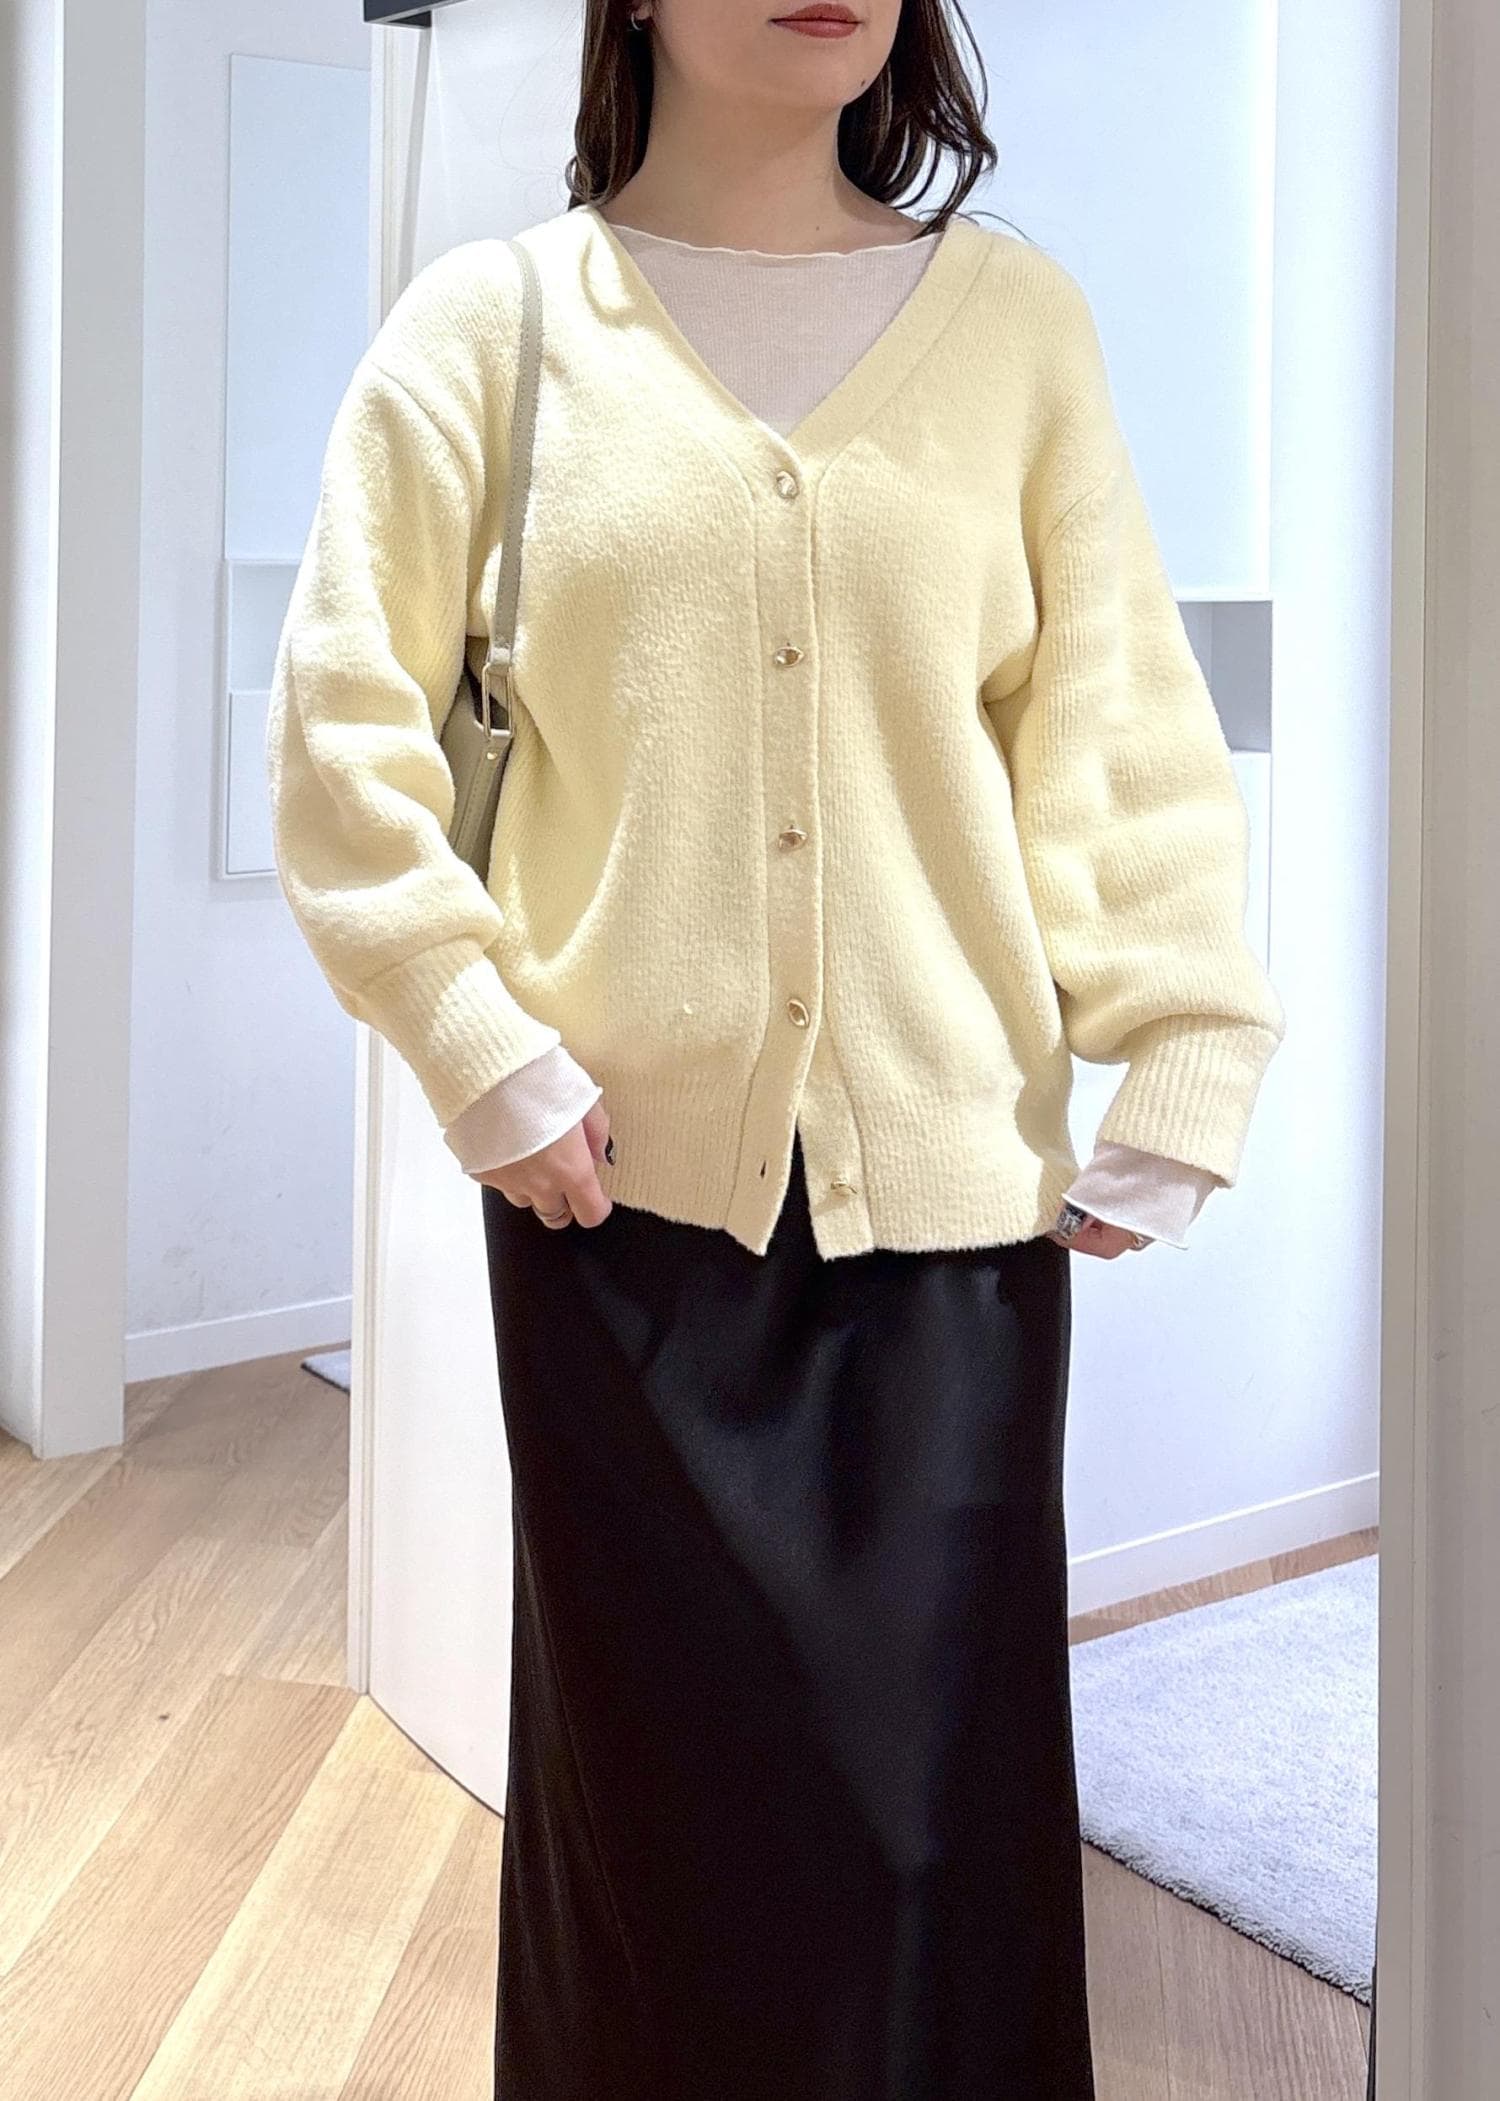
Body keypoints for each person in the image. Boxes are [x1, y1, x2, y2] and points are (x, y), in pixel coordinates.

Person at [266, 2, 1286, 2093]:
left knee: (935, 1845)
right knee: (657, 1841)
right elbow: (342, 744)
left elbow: (1111, 720)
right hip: (615, 1222)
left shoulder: (1013, 330)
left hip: (955, 1236)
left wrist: (1183, 1040)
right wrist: (478, 1045)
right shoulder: (491, 336)